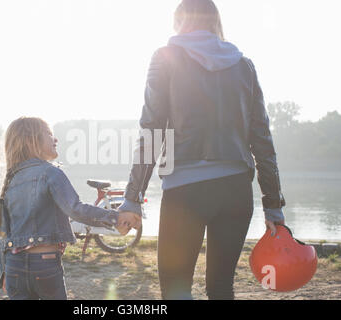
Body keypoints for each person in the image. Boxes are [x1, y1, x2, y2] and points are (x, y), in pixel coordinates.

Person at [118, 0, 286, 300]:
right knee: (221, 288)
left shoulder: (165, 57)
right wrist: (273, 204)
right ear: (215, 22)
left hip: (185, 190)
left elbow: (152, 129)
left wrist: (132, 198)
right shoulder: (244, 65)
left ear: (179, 21)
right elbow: (262, 138)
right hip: (235, 191)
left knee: (176, 289)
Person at [0, 117, 136, 300]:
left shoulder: (10, 180)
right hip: (44, 265)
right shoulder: (50, 173)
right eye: (49, 134)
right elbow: (75, 209)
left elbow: (1, 232)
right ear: (33, 140)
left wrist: (4, 270)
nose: (56, 139)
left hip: (14, 268)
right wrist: (115, 218)